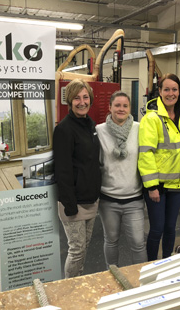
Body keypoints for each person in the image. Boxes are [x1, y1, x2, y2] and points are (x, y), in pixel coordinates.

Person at [138, 73, 180, 260]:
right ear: (159, 92)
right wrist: (151, 186)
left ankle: (167, 260)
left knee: (170, 228)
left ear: (179, 91)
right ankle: (151, 265)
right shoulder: (151, 118)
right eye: (166, 89)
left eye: (174, 89)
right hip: (158, 186)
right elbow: (146, 153)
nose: (170, 93)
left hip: (178, 184)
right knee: (157, 228)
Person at [53, 79, 101, 278]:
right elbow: (62, 170)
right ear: (69, 101)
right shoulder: (64, 129)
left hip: (90, 199)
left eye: (85, 97)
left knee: (85, 248)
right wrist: (69, 204)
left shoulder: (90, 124)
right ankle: (69, 289)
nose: (82, 102)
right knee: (77, 250)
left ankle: (78, 282)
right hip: (73, 203)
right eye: (77, 98)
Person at [96, 91, 147, 268]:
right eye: (117, 105)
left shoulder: (139, 128)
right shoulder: (99, 130)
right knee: (111, 241)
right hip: (108, 199)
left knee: (138, 243)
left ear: (129, 108)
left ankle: (141, 279)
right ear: (110, 107)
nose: (121, 109)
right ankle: (112, 274)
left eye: (125, 105)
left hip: (134, 198)